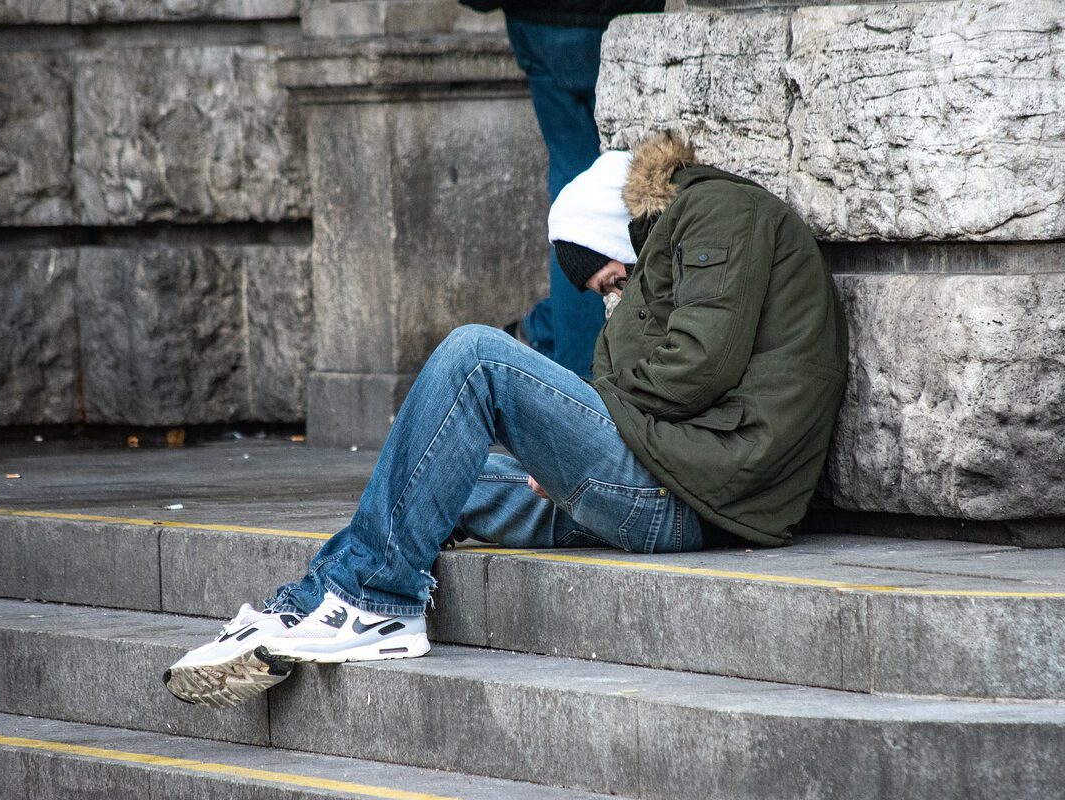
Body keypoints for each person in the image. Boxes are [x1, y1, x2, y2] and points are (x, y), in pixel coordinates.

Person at [163, 131, 849, 708]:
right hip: (679, 477)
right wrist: (567, 449)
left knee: (476, 354)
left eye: (611, 281)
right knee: (435, 472)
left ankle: (377, 601)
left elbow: (698, 365)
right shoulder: (669, 253)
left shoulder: (721, 212)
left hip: (697, 494)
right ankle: (303, 606)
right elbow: (668, 375)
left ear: (613, 234)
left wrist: (578, 440)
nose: (614, 294)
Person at [461, 0, 664, 378]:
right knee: (599, 215)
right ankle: (577, 371)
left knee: (577, 207)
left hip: (540, 21)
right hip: (618, 16)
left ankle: (555, 348)